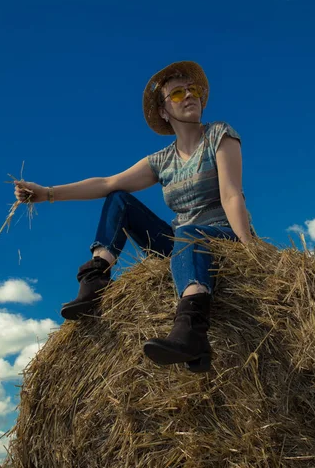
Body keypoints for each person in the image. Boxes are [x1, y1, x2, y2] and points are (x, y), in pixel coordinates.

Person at [14, 61, 256, 373]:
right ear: (164, 111)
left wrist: (250, 251)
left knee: (189, 232)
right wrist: (46, 193)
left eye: (193, 90)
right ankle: (95, 279)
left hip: (223, 239)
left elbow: (231, 194)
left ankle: (191, 330)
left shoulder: (219, 135)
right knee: (120, 199)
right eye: (178, 93)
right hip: (182, 245)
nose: (190, 96)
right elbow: (106, 183)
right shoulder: (162, 160)